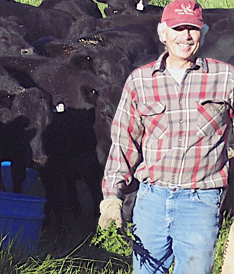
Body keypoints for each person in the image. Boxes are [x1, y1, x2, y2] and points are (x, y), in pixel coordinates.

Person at [98, 0, 234, 273]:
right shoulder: (140, 81)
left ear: (203, 33)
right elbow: (124, 143)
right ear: (163, 33)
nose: (185, 36)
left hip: (201, 201)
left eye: (192, 29)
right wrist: (112, 197)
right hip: (152, 201)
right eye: (178, 28)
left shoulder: (226, 77)